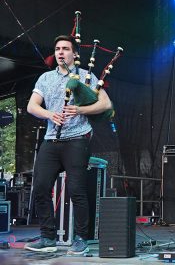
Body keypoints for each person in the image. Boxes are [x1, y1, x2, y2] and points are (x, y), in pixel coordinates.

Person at [25, 35, 112, 254]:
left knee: (77, 190)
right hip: (52, 139)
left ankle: (81, 238)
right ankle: (48, 238)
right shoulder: (45, 78)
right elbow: (32, 106)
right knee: (41, 187)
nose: (60, 52)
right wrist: (50, 115)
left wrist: (81, 110)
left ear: (74, 54)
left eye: (65, 48)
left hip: (77, 139)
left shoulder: (87, 76)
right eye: (57, 49)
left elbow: (105, 104)